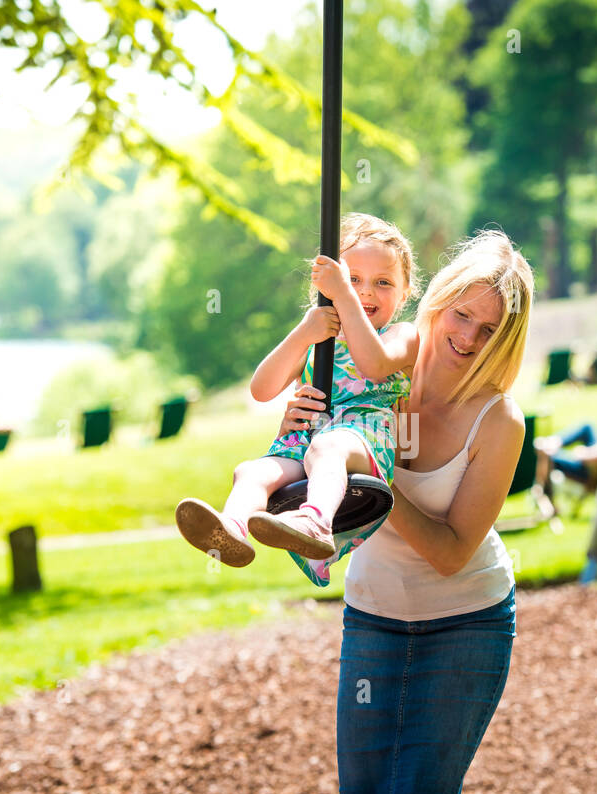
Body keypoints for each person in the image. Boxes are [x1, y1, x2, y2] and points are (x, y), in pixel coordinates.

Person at [278, 229, 533, 794]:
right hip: (375, 616)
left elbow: (450, 551)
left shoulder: (497, 420)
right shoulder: (377, 368)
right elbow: (312, 468)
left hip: (465, 621)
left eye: (490, 330)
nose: (470, 338)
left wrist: (376, 486)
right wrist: (297, 432)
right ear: (438, 301)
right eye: (463, 315)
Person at [174, 213, 420, 586]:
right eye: (352, 279)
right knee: (252, 471)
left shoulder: (401, 335)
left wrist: (344, 296)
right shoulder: (320, 336)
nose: (365, 292)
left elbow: (373, 364)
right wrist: (304, 332)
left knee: (328, 446)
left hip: (364, 438)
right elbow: (262, 389)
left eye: (382, 283)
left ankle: (316, 523)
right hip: (304, 438)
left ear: (405, 293)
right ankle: (233, 529)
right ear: (324, 284)